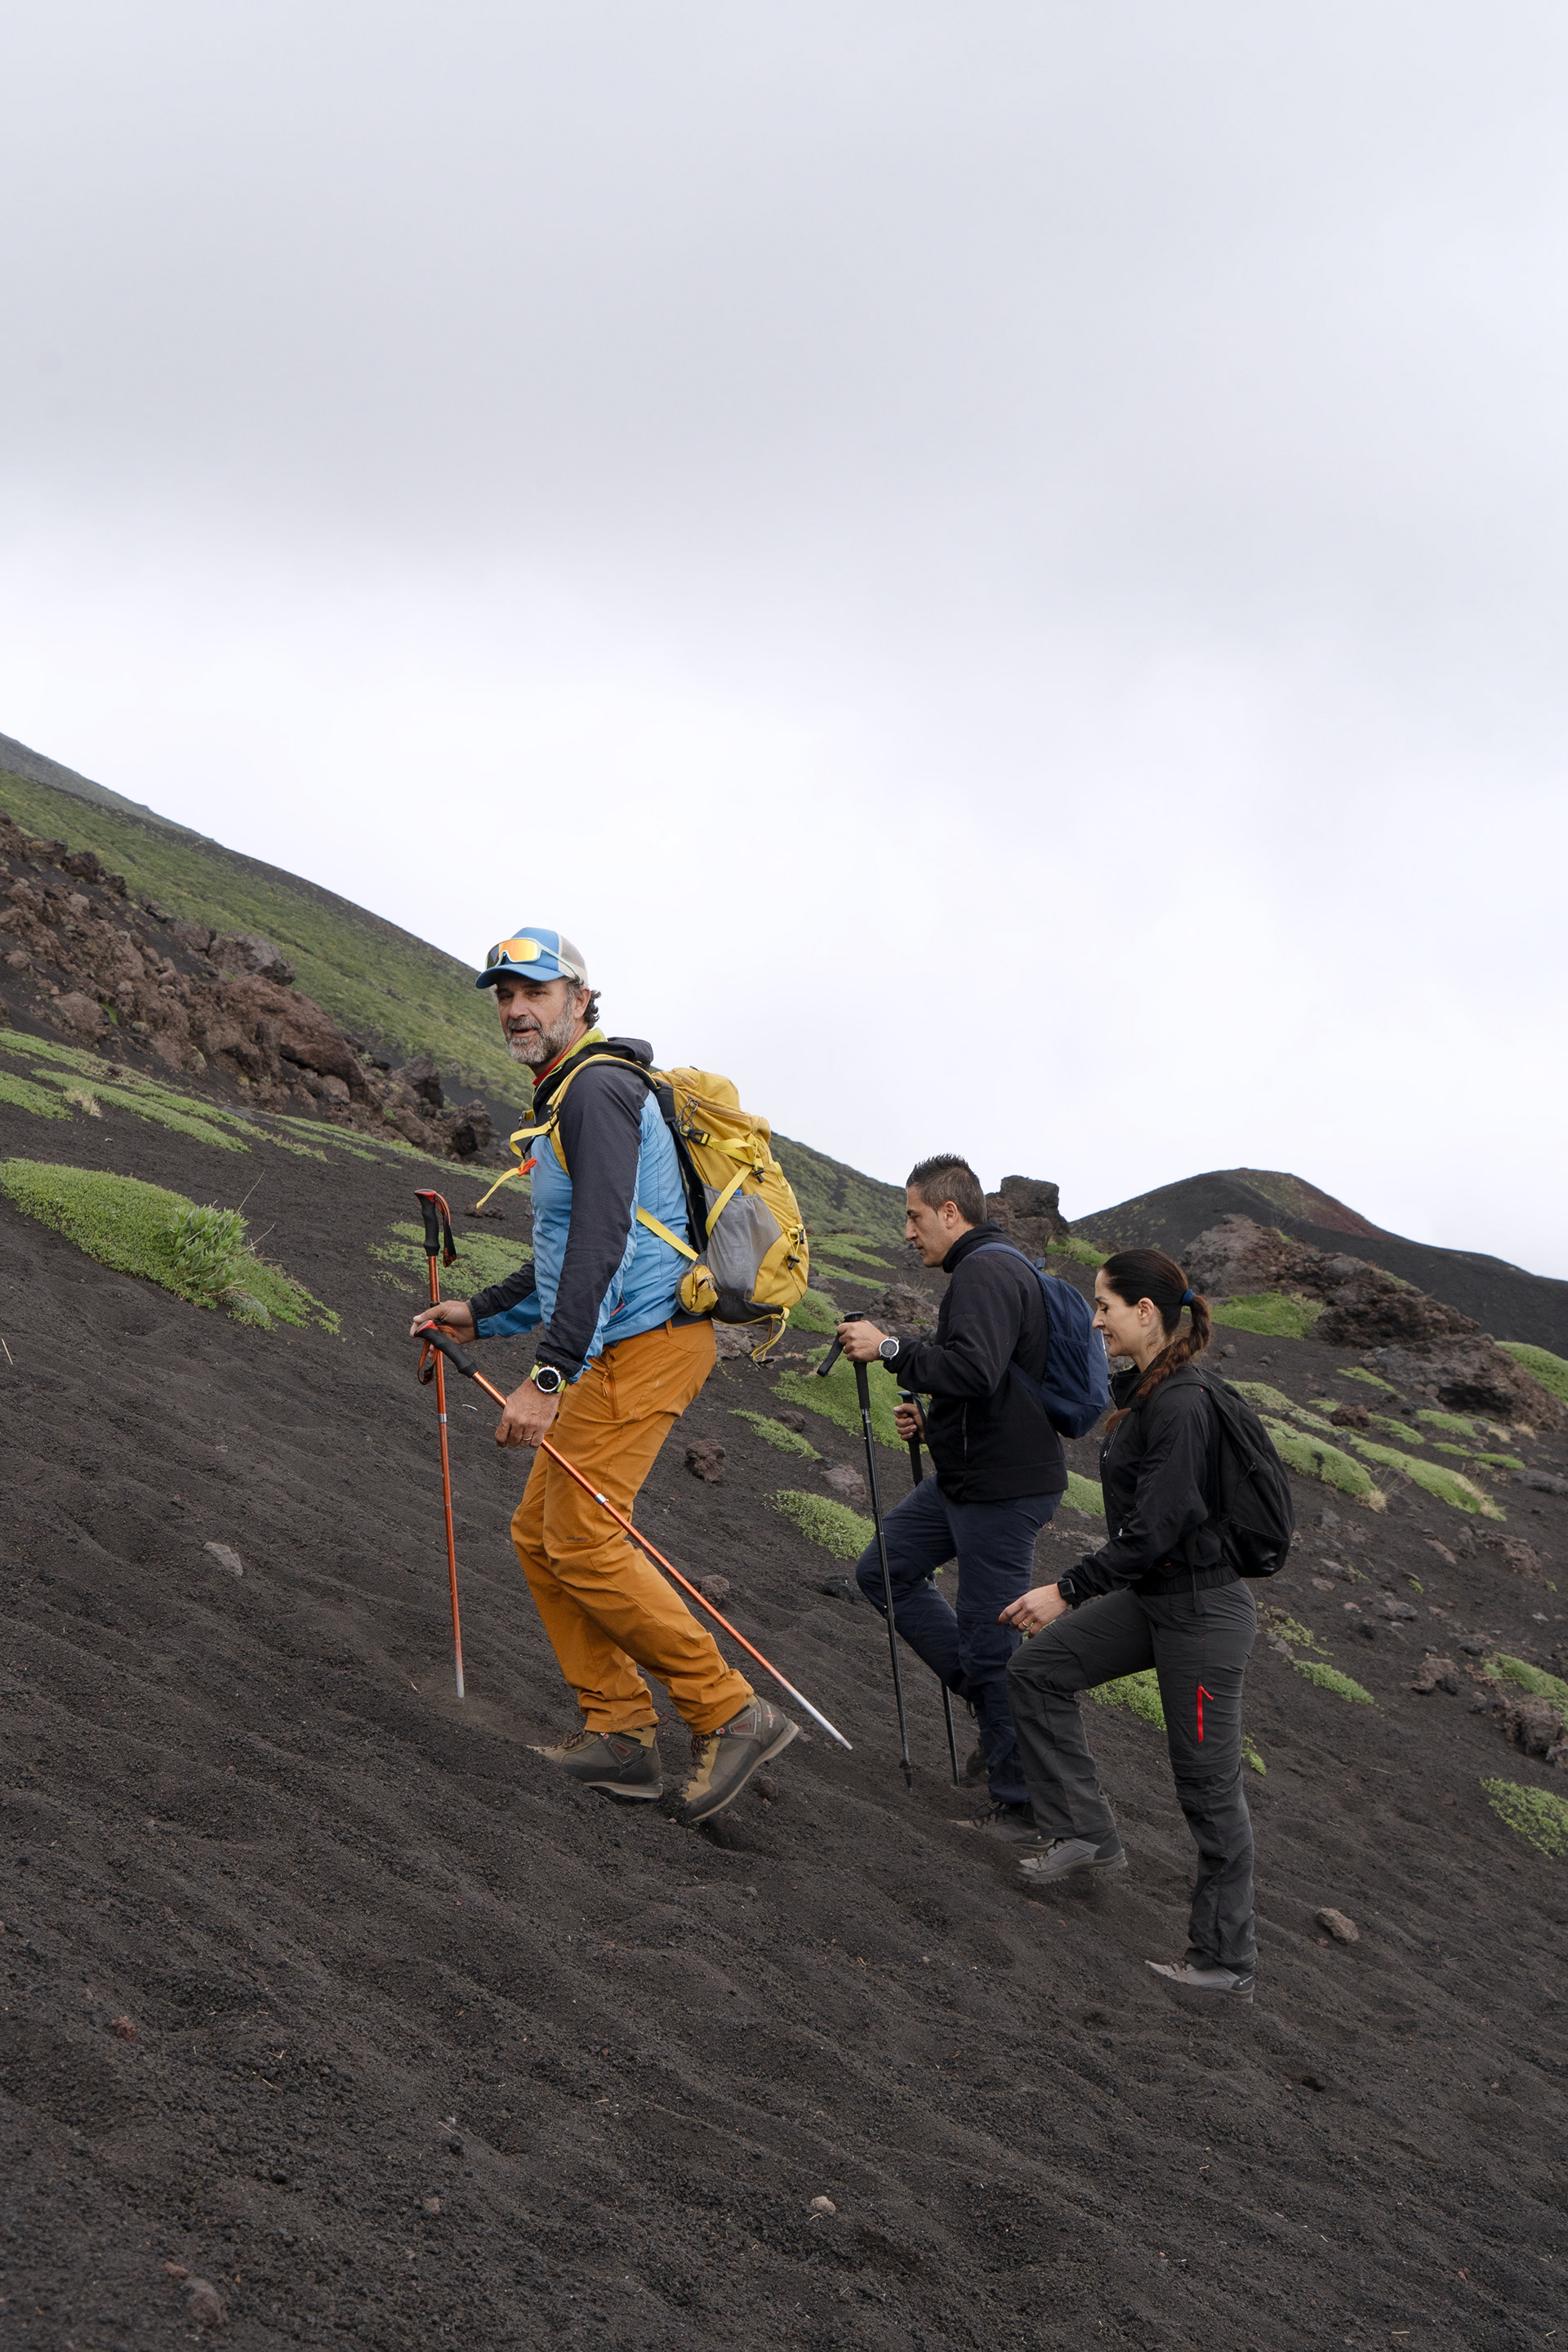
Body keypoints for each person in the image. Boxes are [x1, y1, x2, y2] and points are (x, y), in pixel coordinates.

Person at [409, 925, 795, 1825]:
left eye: (534, 992)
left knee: (579, 1536)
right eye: (504, 994)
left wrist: (546, 1378)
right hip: (622, 1340)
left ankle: (730, 1711)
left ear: (580, 1000)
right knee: (541, 1535)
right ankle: (619, 1733)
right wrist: (481, 1310)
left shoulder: (596, 1090)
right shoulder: (572, 1097)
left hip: (650, 1341)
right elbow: (566, 1254)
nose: (515, 1009)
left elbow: (605, 1240)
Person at [1000, 1248, 1258, 2004]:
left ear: (1147, 1313)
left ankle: (1224, 1964)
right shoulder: (1151, 1391)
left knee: (1209, 1791)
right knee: (1039, 1671)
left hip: (1203, 1617)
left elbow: (1159, 1526)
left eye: (1106, 1306)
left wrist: (1067, 1591)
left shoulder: (1181, 1403)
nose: (1095, 1319)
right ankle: (1085, 1833)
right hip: (1157, 1601)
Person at [833, 1153, 1067, 1836]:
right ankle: (996, 1707)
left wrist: (889, 1349)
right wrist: (934, 1425)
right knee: (883, 1571)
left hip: (1003, 1490)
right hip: (969, 1477)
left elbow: (974, 1367)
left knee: (992, 1638)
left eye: (914, 1217)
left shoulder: (987, 1270)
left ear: (950, 1213)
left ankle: (1023, 1804)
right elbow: (991, 1382)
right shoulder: (986, 1269)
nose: (909, 1232)